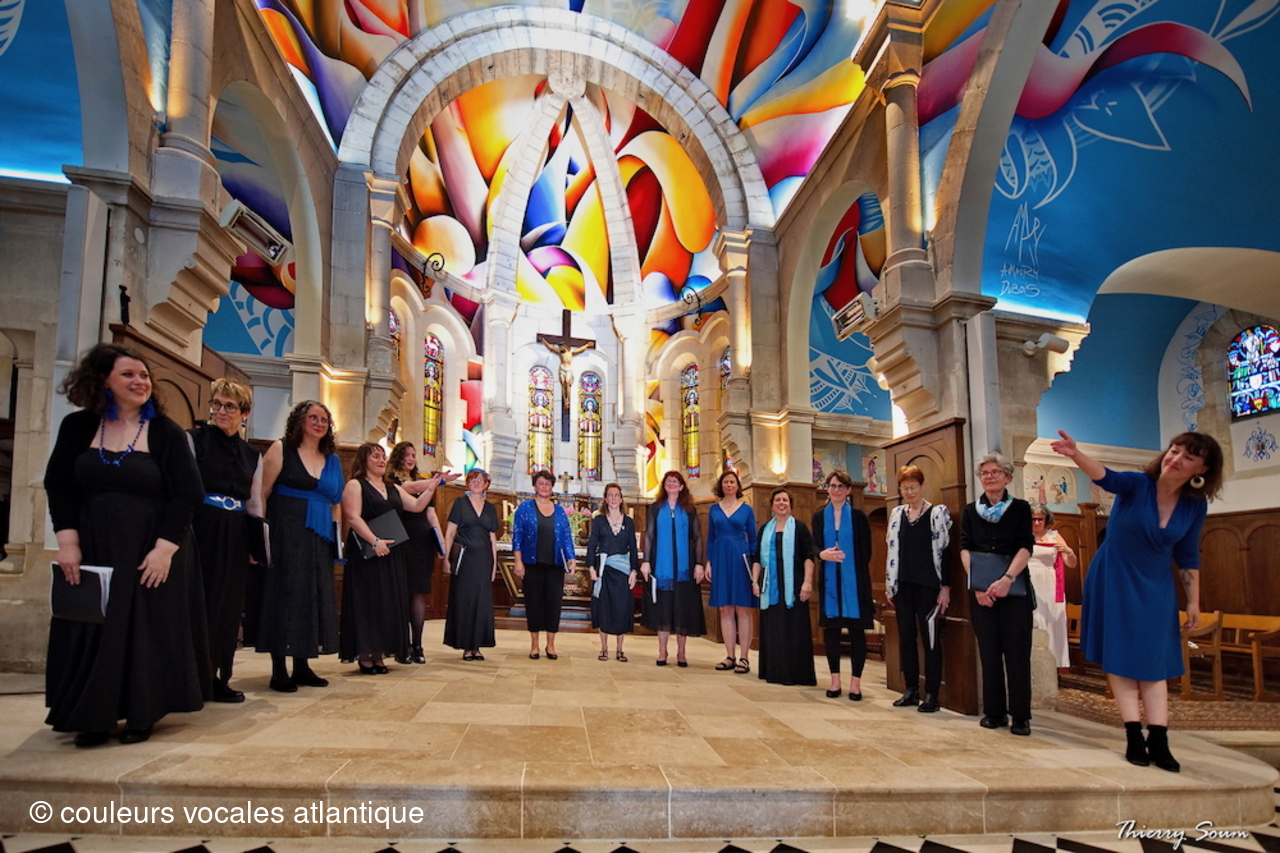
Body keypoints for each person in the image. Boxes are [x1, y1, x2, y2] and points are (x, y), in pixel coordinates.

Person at [44, 343, 209, 746]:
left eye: (144, 375)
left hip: (149, 548)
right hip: (95, 544)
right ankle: (92, 716)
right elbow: (59, 485)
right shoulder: (78, 427)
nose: (140, 382)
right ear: (103, 380)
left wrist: (164, 550)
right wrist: (67, 543)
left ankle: (142, 711)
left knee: (144, 630)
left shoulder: (165, 431)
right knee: (94, 627)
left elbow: (188, 493)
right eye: (128, 375)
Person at [1051, 429, 1222, 772]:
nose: (1176, 459)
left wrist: (1193, 602)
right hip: (1115, 575)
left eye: (1188, 457)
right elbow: (1107, 477)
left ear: (1201, 470)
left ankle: (1159, 737)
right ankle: (1133, 734)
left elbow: (1188, 554)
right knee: (1121, 654)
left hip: (1156, 583)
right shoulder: (1138, 484)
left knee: (1154, 658)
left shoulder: (1194, 504)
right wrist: (1075, 454)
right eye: (1174, 451)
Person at [256, 400, 343, 693]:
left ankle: (303, 665)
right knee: (284, 596)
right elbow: (261, 494)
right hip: (286, 532)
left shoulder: (332, 459)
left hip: (319, 538)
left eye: (324, 420)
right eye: (313, 418)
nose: (319, 424)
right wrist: (260, 537)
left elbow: (336, 504)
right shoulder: (281, 449)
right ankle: (279, 669)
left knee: (311, 597)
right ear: (300, 420)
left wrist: (337, 542)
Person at [188, 378, 264, 704]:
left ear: (244, 413)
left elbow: (255, 501)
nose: (221, 411)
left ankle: (218, 677)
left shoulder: (251, 455)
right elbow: (183, 488)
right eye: (216, 404)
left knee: (227, 607)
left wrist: (256, 546)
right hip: (200, 527)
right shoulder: (194, 440)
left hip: (236, 532)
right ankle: (190, 678)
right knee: (198, 603)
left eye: (229, 406)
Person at [340, 443, 437, 673]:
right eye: (375, 456)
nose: (381, 460)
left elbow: (416, 506)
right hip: (367, 552)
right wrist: (374, 541)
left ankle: (379, 654)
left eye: (383, 456)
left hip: (391, 552)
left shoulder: (392, 487)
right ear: (363, 460)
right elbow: (352, 517)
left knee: (386, 602)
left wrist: (432, 487)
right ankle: (365, 655)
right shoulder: (356, 484)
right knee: (367, 602)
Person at [961, 453, 1035, 736]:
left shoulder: (1020, 508)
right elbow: (964, 548)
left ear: (1008, 477)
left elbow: (1026, 546)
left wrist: (1007, 579)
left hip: (1014, 591)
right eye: (985, 473)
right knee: (989, 653)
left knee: (1017, 655)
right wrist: (978, 585)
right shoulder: (971, 511)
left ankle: (1020, 716)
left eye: (995, 472)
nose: (989, 477)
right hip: (982, 593)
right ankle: (994, 712)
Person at [885, 465, 953, 712]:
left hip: (929, 585)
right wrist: (890, 585)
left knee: (930, 639)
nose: (909, 492)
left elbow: (946, 552)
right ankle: (911, 689)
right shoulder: (897, 514)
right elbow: (891, 551)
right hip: (903, 585)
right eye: (905, 488)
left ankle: (932, 694)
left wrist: (945, 587)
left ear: (922, 486)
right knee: (906, 638)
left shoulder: (937, 513)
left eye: (913, 487)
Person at [386, 442, 456, 664]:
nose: (411, 458)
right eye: (406, 455)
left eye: (413, 455)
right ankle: (401, 645)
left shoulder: (424, 483)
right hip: (400, 538)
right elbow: (411, 490)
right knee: (400, 593)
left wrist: (441, 543)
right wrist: (439, 480)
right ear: (397, 457)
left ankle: (417, 645)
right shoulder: (391, 481)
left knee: (418, 593)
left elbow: (431, 515)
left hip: (422, 541)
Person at [812, 471, 873, 700]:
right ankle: (835, 681)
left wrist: (850, 568)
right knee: (832, 631)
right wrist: (823, 554)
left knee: (857, 631)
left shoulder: (859, 516)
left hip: (855, 583)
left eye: (840, 486)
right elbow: (814, 545)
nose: (836, 490)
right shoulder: (819, 516)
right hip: (830, 582)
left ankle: (855, 684)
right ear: (827, 489)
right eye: (832, 486)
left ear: (848, 490)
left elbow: (867, 551)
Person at [751, 487, 817, 686]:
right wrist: (754, 581)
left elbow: (809, 556)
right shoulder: (765, 529)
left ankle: (795, 674)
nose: (781, 503)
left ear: (790, 505)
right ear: (772, 505)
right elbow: (757, 559)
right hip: (770, 586)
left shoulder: (800, 527)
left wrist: (807, 582)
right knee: (773, 628)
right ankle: (774, 672)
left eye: (785, 500)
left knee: (794, 628)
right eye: (778, 500)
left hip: (794, 586)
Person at [640, 470, 706, 665]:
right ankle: (662, 651)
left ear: (681, 486)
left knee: (682, 610)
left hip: (684, 569)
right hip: (662, 568)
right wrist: (646, 561)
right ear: (664, 485)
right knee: (663, 610)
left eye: (675, 481)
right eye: (668, 481)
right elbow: (649, 535)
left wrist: (699, 564)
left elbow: (698, 537)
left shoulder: (689, 509)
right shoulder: (655, 508)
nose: (671, 484)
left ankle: (681, 652)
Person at [510, 470, 577, 659]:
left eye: (547, 484)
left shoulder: (560, 511)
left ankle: (551, 645)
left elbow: (566, 537)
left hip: (555, 565)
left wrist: (571, 559)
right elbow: (517, 537)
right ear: (535, 486)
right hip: (532, 564)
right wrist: (518, 561)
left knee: (553, 604)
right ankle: (534, 645)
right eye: (541, 483)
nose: (544, 487)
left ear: (552, 487)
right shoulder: (525, 508)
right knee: (533, 604)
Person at [442, 468, 498, 660]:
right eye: (472, 479)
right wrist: (446, 558)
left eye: (480, 480)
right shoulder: (460, 503)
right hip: (464, 560)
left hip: (483, 560)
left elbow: (492, 539)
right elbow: (450, 532)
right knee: (465, 600)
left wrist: (493, 566)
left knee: (481, 602)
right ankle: (467, 646)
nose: (476, 483)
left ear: (486, 484)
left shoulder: (490, 508)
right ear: (467, 483)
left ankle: (477, 645)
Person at [706, 470, 757, 674]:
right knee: (725, 608)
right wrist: (709, 562)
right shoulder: (713, 509)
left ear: (738, 486)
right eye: (726, 482)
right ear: (721, 485)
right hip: (720, 557)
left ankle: (744, 657)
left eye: (732, 482)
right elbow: (710, 538)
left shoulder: (747, 510)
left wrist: (753, 565)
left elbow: (753, 539)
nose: (729, 485)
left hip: (741, 558)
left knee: (743, 608)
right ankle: (729, 656)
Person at [586, 483, 639, 661]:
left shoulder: (629, 522)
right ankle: (604, 648)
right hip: (604, 571)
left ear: (621, 499)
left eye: (617, 495)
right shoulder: (599, 520)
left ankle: (620, 649)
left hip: (623, 571)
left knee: (622, 609)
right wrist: (591, 568)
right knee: (604, 609)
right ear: (605, 499)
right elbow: (592, 544)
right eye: (610, 495)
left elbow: (633, 548)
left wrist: (634, 571)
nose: (614, 498)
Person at [1027, 501, 1075, 670]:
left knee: (1051, 618)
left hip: (1050, 582)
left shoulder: (1054, 536)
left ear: (1046, 519)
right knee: (1034, 618)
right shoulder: (1022, 536)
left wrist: (1069, 551)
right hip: (1029, 580)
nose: (1037, 523)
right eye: (1033, 519)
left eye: (1040, 519)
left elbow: (1072, 564)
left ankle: (1053, 663)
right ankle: (1033, 663)